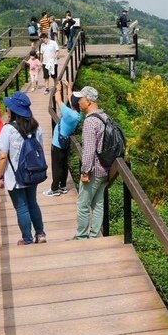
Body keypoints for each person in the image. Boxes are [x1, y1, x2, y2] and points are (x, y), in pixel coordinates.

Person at [0, 92, 47, 245]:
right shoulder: (37, 127)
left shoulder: (8, 130)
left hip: (15, 176)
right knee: (33, 203)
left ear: (13, 110)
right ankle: (40, 233)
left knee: (22, 207)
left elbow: (2, 156)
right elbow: (41, 150)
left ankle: (27, 239)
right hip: (32, 172)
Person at [72, 86, 109, 239]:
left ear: (89, 101)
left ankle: (81, 237)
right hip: (105, 168)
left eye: (80, 99)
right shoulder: (104, 117)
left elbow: (88, 151)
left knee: (83, 205)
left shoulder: (90, 121)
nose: (78, 102)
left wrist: (85, 171)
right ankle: (94, 235)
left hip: (93, 170)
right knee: (98, 203)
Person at [44, 80, 83, 197]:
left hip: (57, 142)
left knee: (56, 165)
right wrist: (68, 87)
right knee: (64, 164)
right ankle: (63, 186)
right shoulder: (78, 113)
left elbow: (58, 100)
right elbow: (71, 99)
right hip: (66, 142)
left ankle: (54, 189)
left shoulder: (69, 114)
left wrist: (58, 89)